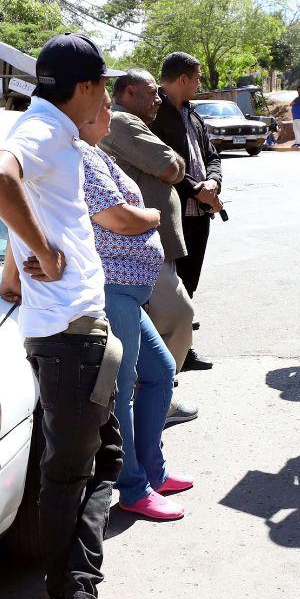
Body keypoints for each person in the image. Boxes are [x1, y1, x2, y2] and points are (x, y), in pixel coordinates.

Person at [0, 32, 137, 599]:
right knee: (74, 472)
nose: (101, 96)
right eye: (101, 86)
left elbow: (27, 200)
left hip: (68, 330)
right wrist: (42, 252)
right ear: (88, 87)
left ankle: (73, 597)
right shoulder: (43, 131)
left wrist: (17, 264)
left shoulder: (51, 131)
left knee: (95, 462)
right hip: (70, 336)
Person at [78, 93, 194, 520]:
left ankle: (152, 470)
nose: (112, 114)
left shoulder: (92, 151)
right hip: (113, 288)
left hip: (129, 289)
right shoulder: (80, 156)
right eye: (106, 106)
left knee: (161, 371)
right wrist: (152, 218)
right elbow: (117, 217)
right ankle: (132, 486)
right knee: (122, 392)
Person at [102, 69, 200, 425]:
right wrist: (173, 161)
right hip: (137, 248)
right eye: (151, 93)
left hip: (144, 246)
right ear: (128, 92)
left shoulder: (126, 121)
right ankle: (158, 402)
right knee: (178, 316)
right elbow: (171, 167)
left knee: (158, 323)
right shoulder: (124, 122)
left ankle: (151, 400)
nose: (158, 99)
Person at [152, 51, 223, 372]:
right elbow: (160, 167)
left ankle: (183, 351)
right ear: (183, 78)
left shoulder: (193, 114)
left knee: (189, 282)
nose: (199, 84)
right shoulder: (154, 114)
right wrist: (199, 188)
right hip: (172, 217)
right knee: (170, 288)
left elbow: (212, 155)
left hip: (199, 214)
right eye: (196, 78)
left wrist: (213, 182)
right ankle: (166, 357)